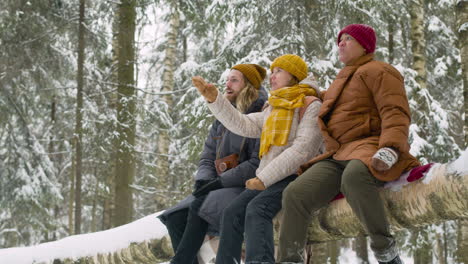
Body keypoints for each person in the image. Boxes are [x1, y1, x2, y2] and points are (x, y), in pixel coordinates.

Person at [277, 24, 420, 264]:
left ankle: (386, 252)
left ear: (365, 46)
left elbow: (394, 111)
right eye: (339, 39)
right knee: (295, 193)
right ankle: (290, 259)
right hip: (338, 153)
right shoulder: (342, 77)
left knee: (354, 177)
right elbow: (336, 108)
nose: (340, 43)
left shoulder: (381, 70)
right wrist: (308, 95)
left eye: (348, 39)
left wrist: (390, 148)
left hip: (370, 145)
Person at [192, 54, 324, 264]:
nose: (272, 76)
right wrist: (215, 100)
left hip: (296, 177)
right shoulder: (274, 107)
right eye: (272, 72)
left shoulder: (311, 104)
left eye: (279, 71)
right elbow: (242, 124)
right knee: (232, 212)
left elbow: (303, 150)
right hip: (268, 179)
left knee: (257, 209)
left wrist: (264, 178)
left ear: (294, 74)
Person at [159, 63, 267, 264]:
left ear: (249, 85)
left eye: (234, 80)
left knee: (201, 205)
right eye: (227, 79)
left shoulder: (261, 113)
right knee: (175, 217)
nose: (227, 84)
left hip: (245, 186)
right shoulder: (221, 117)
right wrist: (204, 180)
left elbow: (256, 163)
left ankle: (180, 261)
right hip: (217, 185)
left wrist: (219, 182)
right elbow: (207, 156)